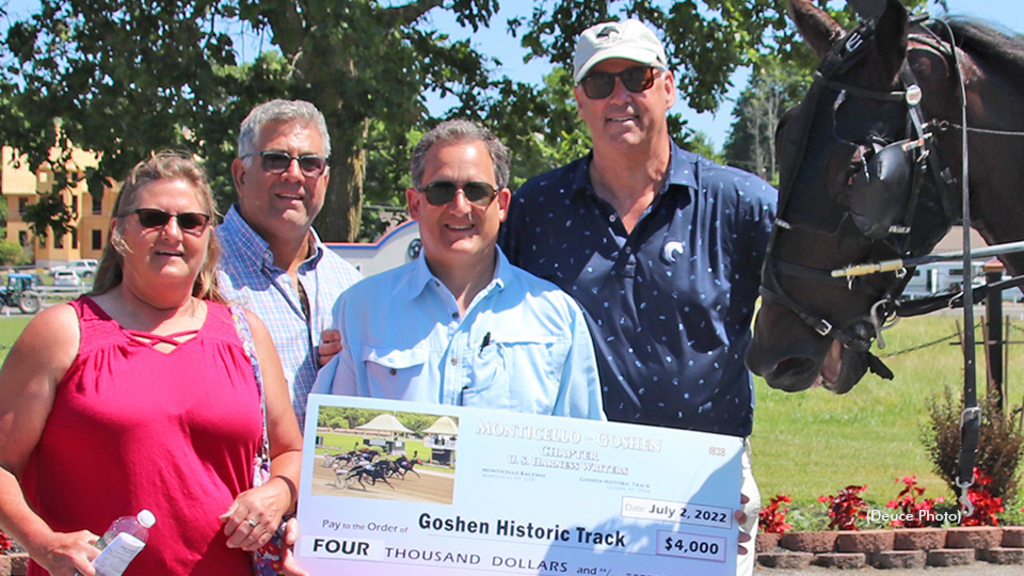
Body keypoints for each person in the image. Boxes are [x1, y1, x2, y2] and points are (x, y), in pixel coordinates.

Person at [498, 20, 777, 575]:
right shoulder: (535, 209)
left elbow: (819, 290)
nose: (619, 96)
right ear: (579, 100)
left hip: (702, 482)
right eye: (599, 83)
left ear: (668, 88)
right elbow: (476, 307)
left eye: (636, 77)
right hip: (571, 478)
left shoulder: (741, 203)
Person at [0, 152, 304, 576]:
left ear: (209, 236)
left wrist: (279, 492)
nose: (173, 233)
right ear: (118, 231)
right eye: (152, 218)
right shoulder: (61, 333)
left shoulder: (246, 334)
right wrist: (43, 543)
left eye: (191, 221)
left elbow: (290, 449)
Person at [314, 120, 604, 420]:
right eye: (441, 191)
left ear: (502, 204)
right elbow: (335, 444)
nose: (460, 206)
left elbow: (581, 451)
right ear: (414, 204)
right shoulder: (361, 311)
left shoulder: (557, 317)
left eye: (477, 191)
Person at [218, 99, 362, 427]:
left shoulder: (349, 286)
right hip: (238, 479)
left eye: (310, 163)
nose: (294, 174)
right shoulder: (200, 273)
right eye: (276, 160)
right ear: (240, 175)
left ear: (324, 179)